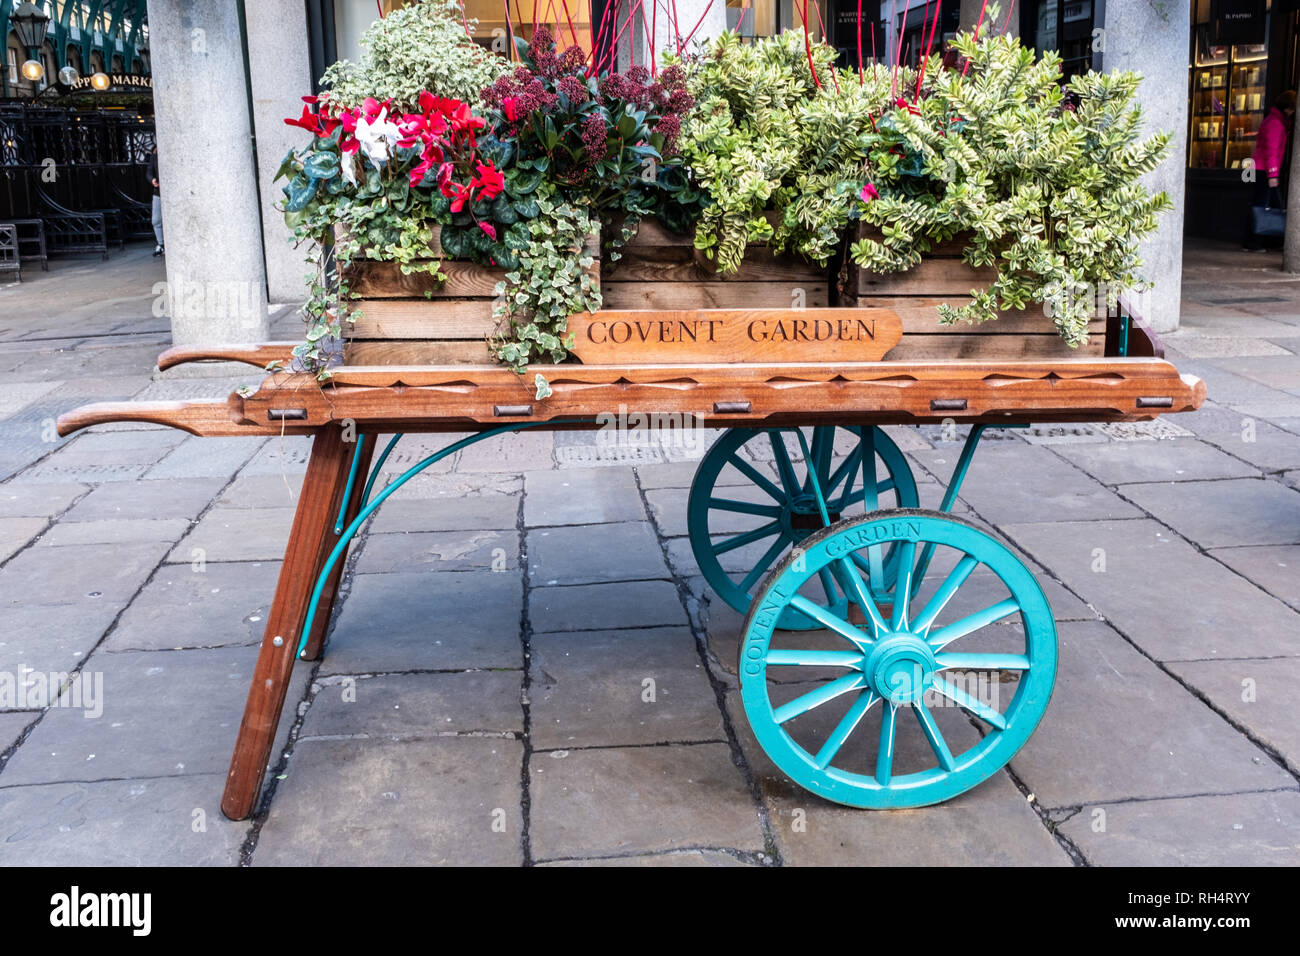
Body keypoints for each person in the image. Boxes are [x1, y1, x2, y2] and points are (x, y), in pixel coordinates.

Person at [1244, 90, 1296, 251]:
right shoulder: (1275, 123)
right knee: (1261, 206)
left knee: (1271, 205)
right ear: (1288, 108)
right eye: (1293, 109)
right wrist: (1273, 174)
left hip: (1261, 168)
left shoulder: (1275, 121)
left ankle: (1272, 240)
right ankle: (1253, 242)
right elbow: (1271, 150)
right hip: (1264, 170)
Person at [147, 146, 164, 257]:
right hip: (158, 192)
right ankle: (161, 244)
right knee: (156, 220)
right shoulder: (154, 157)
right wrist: (152, 179)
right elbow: (149, 172)